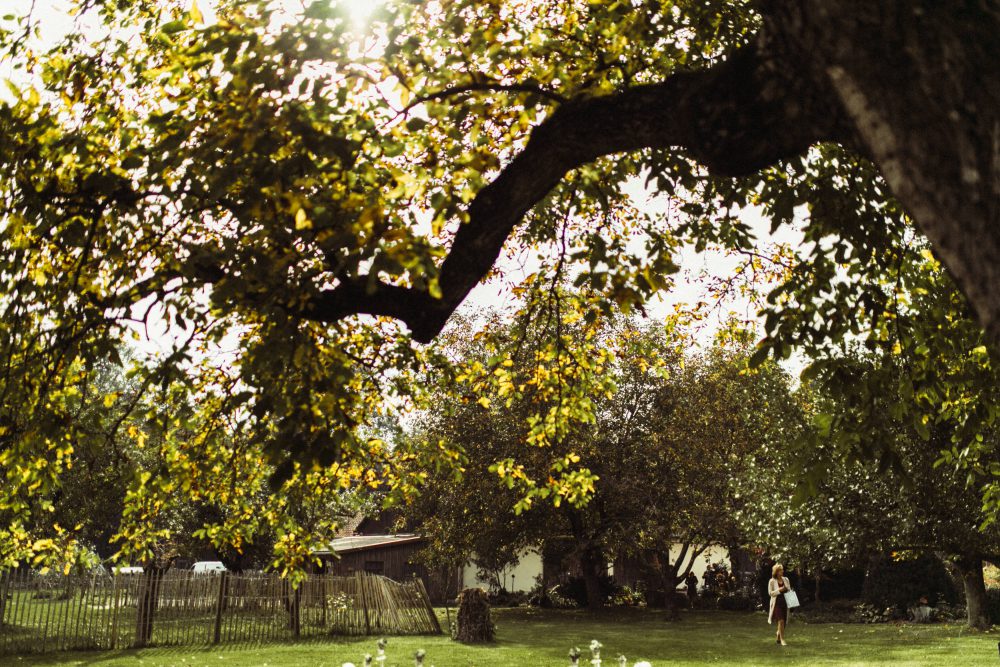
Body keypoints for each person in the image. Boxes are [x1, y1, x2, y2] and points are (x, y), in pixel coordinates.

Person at [767, 563, 793, 646]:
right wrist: (780, 590)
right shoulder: (771, 581)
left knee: (784, 622)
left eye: (782, 569)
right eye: (781, 570)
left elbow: (789, 589)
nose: (783, 571)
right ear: (777, 572)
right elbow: (770, 593)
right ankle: (782, 640)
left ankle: (778, 635)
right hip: (776, 603)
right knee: (781, 621)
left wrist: (786, 589)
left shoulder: (786, 579)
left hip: (785, 602)